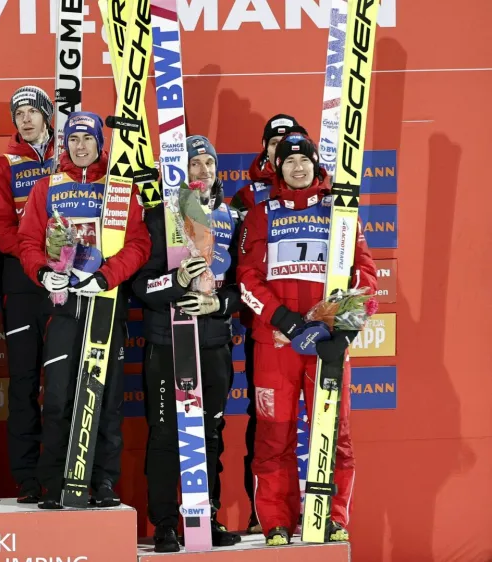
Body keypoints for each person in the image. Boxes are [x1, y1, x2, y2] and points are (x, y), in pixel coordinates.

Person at [237, 133, 377, 546]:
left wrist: (345, 330)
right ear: (276, 167)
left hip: (327, 344)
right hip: (278, 343)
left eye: (305, 161)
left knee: (334, 433)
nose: (298, 168)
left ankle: (330, 518)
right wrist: (286, 320)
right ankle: (277, 522)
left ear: (316, 165)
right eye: (288, 161)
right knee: (273, 434)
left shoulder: (340, 211)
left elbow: (364, 274)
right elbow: (247, 277)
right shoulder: (261, 214)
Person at [16, 111, 150, 508]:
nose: (80, 146)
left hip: (106, 303)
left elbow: (139, 244)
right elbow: (28, 242)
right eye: (73, 139)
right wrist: (43, 273)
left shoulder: (119, 189)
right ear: (65, 144)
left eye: (87, 139)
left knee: (105, 398)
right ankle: (54, 483)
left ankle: (103, 482)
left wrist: (106, 277)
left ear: (99, 143)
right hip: (62, 308)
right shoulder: (47, 187)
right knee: (56, 397)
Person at [131, 135, 243, 552]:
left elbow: (243, 287)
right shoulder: (157, 217)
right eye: (193, 164)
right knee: (163, 435)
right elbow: (139, 286)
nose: (202, 171)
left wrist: (217, 303)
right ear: (176, 171)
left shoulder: (231, 217)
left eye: (208, 163)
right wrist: (174, 283)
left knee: (211, 432)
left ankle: (204, 519)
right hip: (167, 340)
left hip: (213, 341)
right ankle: (164, 523)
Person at [229, 114, 308, 534]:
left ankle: (311, 515)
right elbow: (236, 264)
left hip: (310, 328)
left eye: (289, 141)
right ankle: (267, 516)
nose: (281, 148)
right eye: (274, 140)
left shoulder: (322, 197)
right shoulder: (247, 197)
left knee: (318, 424)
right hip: (261, 325)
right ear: (265, 148)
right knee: (266, 424)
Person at [0, 86, 56, 502]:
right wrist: (39, 258)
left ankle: (63, 471)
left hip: (68, 277)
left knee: (63, 381)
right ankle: (27, 479)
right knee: (24, 381)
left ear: (47, 115)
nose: (26, 119)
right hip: (23, 281)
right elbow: (1, 231)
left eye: (32, 111)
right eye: (19, 113)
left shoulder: (69, 158)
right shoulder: (3, 165)